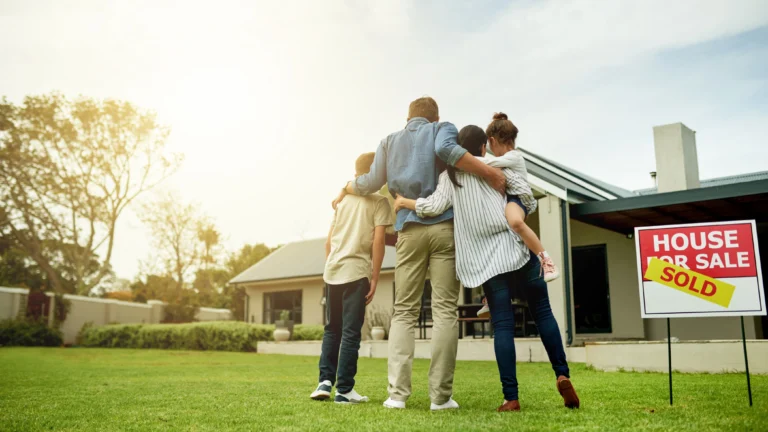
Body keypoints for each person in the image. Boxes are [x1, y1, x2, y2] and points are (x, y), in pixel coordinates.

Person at [331, 97, 506, 411]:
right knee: (443, 312)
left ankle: (397, 396)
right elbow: (447, 151)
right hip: (444, 231)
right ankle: (440, 398)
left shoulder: (389, 141)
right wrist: (491, 174)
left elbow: (371, 182)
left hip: (408, 231)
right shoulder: (442, 128)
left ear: (407, 118)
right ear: (435, 116)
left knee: (404, 312)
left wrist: (347, 185)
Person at [394, 122, 579, 412]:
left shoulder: (449, 176)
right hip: (516, 251)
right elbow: (524, 195)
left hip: (488, 264)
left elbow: (432, 207)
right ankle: (562, 373)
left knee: (503, 325)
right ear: (483, 147)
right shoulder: (496, 166)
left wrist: (403, 201)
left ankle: (511, 398)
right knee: (543, 312)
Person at [311, 152, 393, 404]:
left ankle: (324, 382)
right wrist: (375, 277)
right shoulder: (379, 202)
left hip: (333, 271)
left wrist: (331, 267)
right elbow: (379, 241)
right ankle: (344, 390)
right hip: (356, 272)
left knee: (331, 329)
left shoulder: (342, 200)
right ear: (374, 174)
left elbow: (328, 242)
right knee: (350, 332)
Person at [475, 112, 559, 319]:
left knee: (514, 222)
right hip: (508, 201)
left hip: (517, 200)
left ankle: (546, 260)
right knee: (501, 247)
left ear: (493, 141)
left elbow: (486, 165)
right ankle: (489, 296)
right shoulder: (506, 158)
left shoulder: (513, 156)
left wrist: (461, 158)